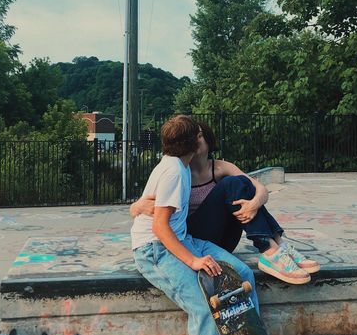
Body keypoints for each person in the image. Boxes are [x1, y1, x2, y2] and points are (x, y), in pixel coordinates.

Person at [131, 115, 259, 335]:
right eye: (199, 134)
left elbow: (146, 207)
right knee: (204, 308)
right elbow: (160, 228)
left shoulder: (181, 165)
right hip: (156, 250)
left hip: (184, 238)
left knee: (243, 274)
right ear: (192, 143)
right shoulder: (174, 172)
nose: (203, 137)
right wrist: (193, 261)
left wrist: (137, 207)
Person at [131, 120, 320, 285]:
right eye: (193, 136)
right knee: (231, 184)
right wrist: (138, 206)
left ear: (208, 141)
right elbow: (138, 206)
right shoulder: (178, 170)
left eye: (200, 136)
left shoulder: (220, 167)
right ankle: (270, 249)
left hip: (220, 238)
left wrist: (253, 205)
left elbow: (259, 189)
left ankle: (277, 247)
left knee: (239, 184)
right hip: (192, 238)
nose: (196, 139)